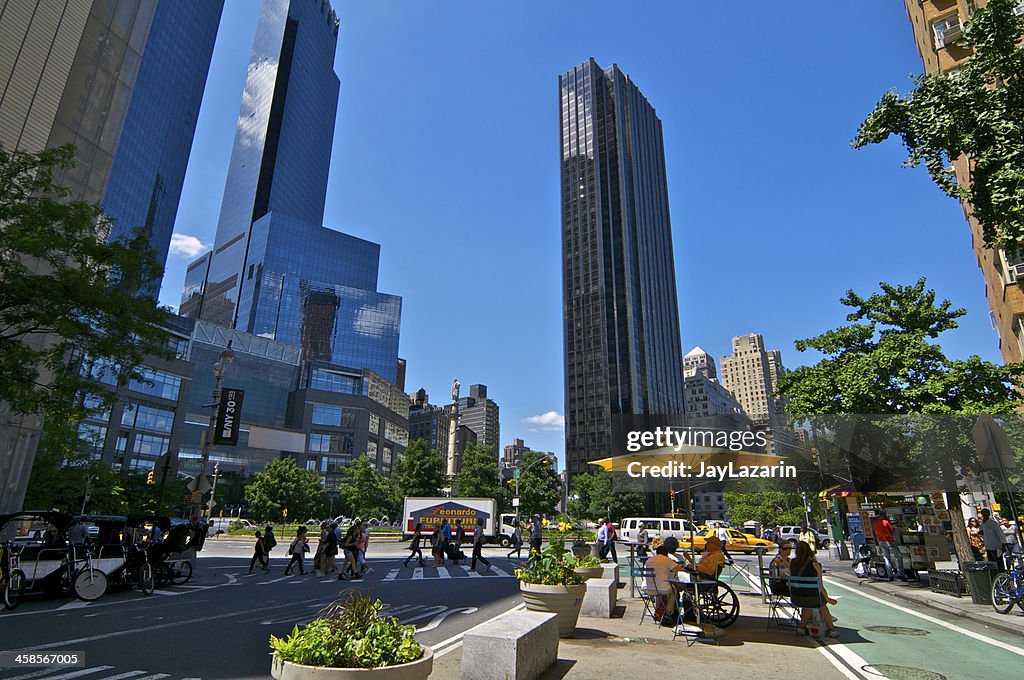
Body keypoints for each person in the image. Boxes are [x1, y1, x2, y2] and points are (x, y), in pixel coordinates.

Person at [789, 541, 839, 638]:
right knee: (822, 604)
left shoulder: (793, 563)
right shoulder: (815, 565)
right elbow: (820, 586)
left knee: (806, 604)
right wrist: (828, 599)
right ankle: (831, 629)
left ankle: (802, 627)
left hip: (796, 597)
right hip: (814, 598)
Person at [645, 544, 685, 623]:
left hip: (649, 588)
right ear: (666, 553)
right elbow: (679, 570)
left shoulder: (649, 560)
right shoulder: (667, 560)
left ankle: (658, 612)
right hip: (663, 589)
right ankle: (667, 612)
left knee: (660, 591)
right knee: (674, 591)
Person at [871, 513, 904, 581]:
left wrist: (878, 544)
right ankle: (900, 574)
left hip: (881, 541)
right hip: (889, 541)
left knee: (886, 558)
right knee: (898, 557)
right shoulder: (886, 522)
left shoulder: (875, 523)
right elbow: (893, 530)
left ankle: (890, 575)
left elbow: (876, 534)